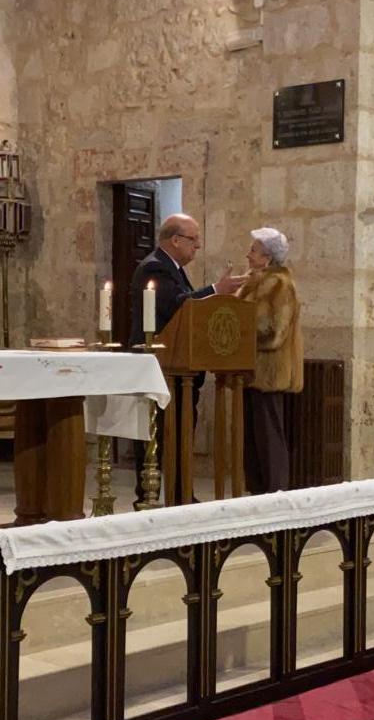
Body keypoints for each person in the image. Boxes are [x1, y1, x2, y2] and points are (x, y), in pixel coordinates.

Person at [129, 213, 245, 503]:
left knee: (179, 434)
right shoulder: (155, 267)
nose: (198, 246)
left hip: (179, 369)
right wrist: (216, 290)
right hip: (160, 366)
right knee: (157, 434)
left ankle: (181, 494)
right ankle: (149, 495)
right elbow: (177, 305)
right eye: (194, 239)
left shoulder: (173, 268)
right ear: (176, 240)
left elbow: (187, 310)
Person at [237, 227, 303, 494]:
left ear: (267, 258)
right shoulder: (254, 281)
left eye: (253, 250)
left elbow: (273, 331)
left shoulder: (278, 284)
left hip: (269, 372)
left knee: (268, 436)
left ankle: (275, 493)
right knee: (253, 438)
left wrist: (239, 331)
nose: (248, 254)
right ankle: (256, 492)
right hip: (250, 370)